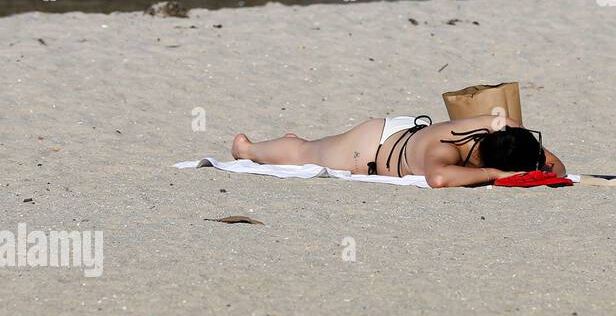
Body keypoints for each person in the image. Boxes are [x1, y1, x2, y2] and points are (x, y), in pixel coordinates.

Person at [232, 113, 566, 187]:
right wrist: (495, 174)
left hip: (402, 133)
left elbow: (557, 166)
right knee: (303, 152)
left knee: (307, 147)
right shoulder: (445, 151)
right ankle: (247, 149)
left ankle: (288, 141)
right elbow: (438, 178)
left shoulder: (495, 125)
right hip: (368, 149)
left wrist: (538, 159)